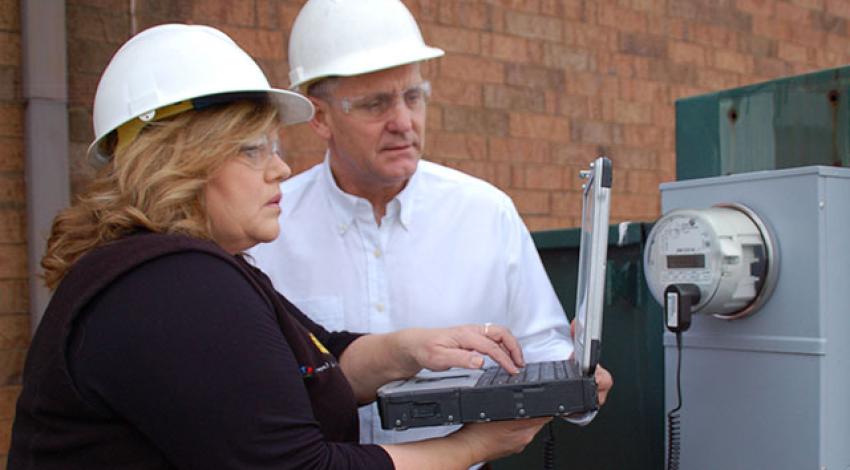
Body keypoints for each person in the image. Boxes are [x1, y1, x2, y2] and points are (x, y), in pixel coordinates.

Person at [7, 24, 553, 470]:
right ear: (181, 164)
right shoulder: (173, 289)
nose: (281, 168)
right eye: (252, 151)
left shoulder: (184, 272)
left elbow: (317, 362)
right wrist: (473, 445)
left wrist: (409, 350)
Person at [249, 0, 613, 455]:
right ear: (320, 116)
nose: (403, 122)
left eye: (413, 96)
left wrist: (576, 381)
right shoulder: (266, 229)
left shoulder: (486, 214)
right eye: (375, 104)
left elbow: (544, 352)